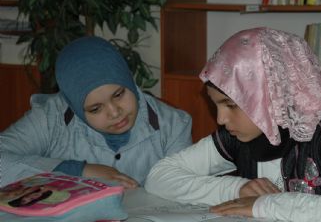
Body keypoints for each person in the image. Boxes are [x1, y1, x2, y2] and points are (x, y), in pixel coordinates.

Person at [145, 27, 321, 222]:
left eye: (230, 105)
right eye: (216, 106)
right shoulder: (237, 136)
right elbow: (158, 178)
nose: (220, 119)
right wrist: (236, 189)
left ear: (269, 97)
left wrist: (264, 205)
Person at [0, 36, 192, 189]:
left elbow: (184, 190)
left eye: (118, 94)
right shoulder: (52, 119)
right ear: (75, 107)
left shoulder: (173, 125)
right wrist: (78, 171)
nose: (115, 112)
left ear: (128, 80)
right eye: (95, 109)